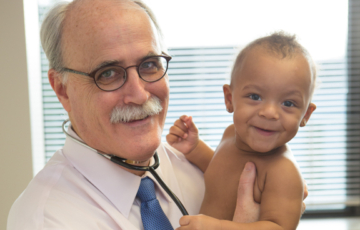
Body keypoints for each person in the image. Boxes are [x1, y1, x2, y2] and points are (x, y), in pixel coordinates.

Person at [7, 0, 262, 229]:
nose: (140, 95)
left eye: (149, 65)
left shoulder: (199, 168)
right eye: (107, 73)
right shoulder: (45, 220)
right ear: (62, 89)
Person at [167, 32, 316, 229]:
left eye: (288, 103)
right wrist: (194, 149)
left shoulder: (283, 171)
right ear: (229, 99)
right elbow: (221, 172)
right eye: (255, 96)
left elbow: (279, 227)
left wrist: (217, 227)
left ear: (306, 114)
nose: (270, 113)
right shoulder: (230, 135)